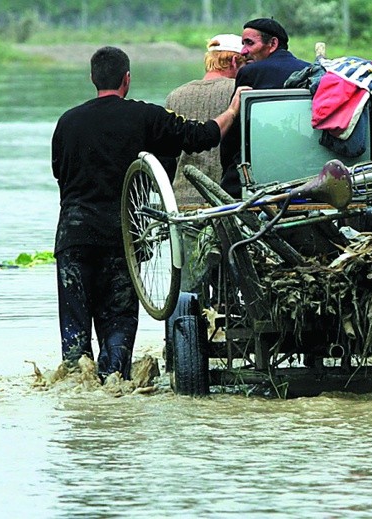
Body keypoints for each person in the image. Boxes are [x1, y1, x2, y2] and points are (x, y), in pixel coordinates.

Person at [51, 46, 246, 381]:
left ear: (92, 78)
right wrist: (232, 110)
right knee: (118, 325)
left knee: (75, 342)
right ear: (127, 79)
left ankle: (78, 402)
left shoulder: (67, 122)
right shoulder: (146, 117)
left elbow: (59, 172)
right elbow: (202, 136)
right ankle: (115, 389)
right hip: (124, 239)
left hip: (74, 238)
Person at [220, 17, 310, 198]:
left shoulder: (250, 73)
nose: (243, 51)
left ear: (273, 44)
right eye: (242, 44)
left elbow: (234, 133)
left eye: (249, 43)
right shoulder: (310, 69)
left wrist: (227, 170)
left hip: (258, 175)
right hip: (304, 172)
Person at [165, 34, 247, 205]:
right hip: (225, 200)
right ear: (234, 61)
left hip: (182, 201)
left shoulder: (175, 95)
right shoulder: (239, 92)